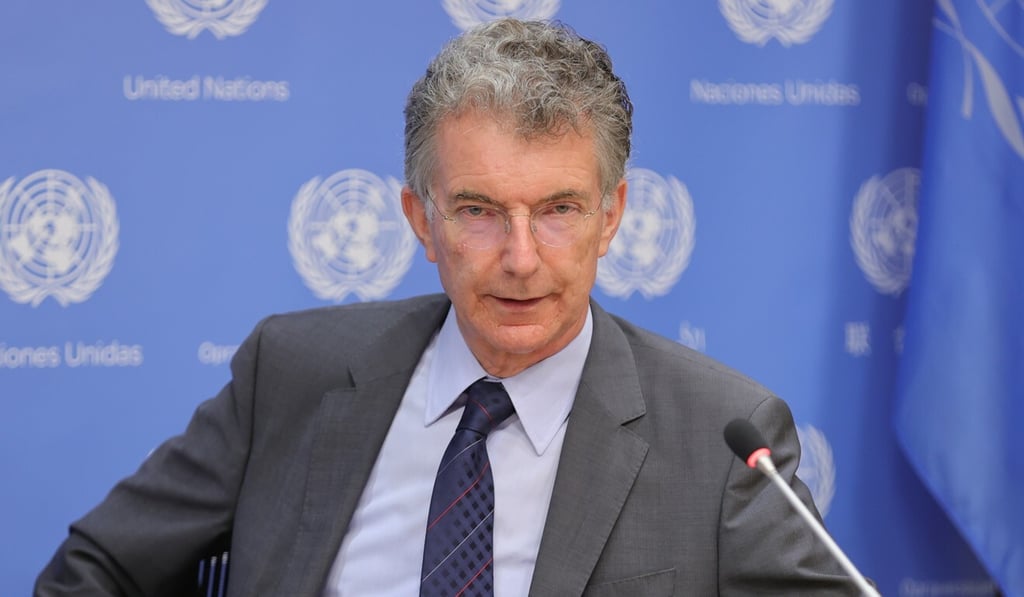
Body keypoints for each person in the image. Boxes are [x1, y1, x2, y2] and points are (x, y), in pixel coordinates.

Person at [37, 18, 864, 596]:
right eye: (477, 210)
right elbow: (98, 567)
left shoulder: (722, 438)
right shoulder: (291, 372)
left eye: (559, 209)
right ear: (419, 220)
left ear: (611, 217)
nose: (520, 257)